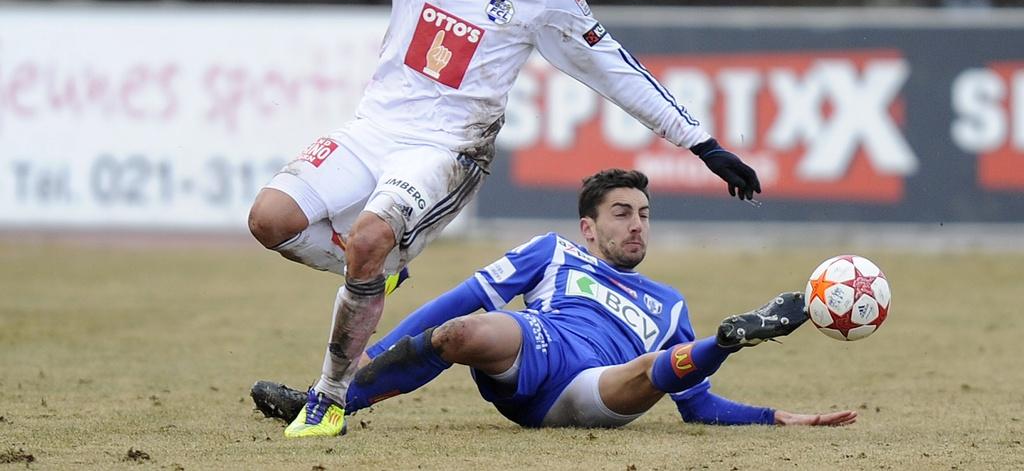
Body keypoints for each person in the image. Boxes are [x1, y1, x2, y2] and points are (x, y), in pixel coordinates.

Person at [190, 0, 762, 439]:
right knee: (270, 221)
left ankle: (330, 397)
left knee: (370, 238)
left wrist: (701, 143)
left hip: (447, 149)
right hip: (373, 128)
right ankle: (377, 273)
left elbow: (616, 69)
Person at [253, 169, 854, 431]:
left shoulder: (668, 304)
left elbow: (695, 407)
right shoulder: (552, 253)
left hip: (603, 392)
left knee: (651, 368)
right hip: (537, 354)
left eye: (644, 215)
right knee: (465, 330)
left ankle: (728, 339)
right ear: (589, 228)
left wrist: (775, 417)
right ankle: (329, 405)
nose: (637, 225)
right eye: (622, 214)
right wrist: (365, 359)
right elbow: (454, 302)